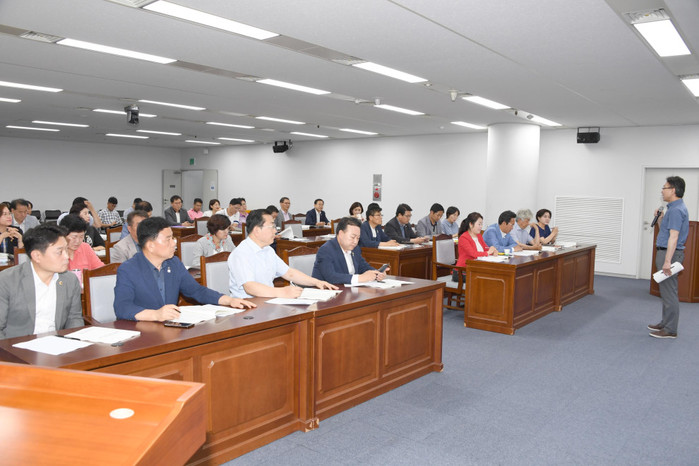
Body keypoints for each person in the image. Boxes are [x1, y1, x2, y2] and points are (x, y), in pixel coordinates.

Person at [114, 217, 255, 321]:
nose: (174, 243)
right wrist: (155, 314)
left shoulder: (173, 263)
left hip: (170, 328)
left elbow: (196, 290)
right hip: (143, 331)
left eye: (173, 238)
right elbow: (122, 307)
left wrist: (228, 300)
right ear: (150, 245)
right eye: (168, 239)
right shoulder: (128, 269)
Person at [228, 209, 337, 298]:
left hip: (267, 302)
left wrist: (316, 282)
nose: (275, 231)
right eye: (272, 227)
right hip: (247, 307)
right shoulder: (241, 253)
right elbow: (250, 287)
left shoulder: (268, 250)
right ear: (257, 230)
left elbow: (289, 273)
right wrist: (281, 292)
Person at [0, 224, 83, 339]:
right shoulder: (7, 280)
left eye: (66, 250)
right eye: (59, 252)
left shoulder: (70, 280)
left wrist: (73, 343)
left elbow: (74, 318)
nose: (66, 256)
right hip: (16, 346)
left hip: (57, 344)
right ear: (37, 256)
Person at [648, 176, 689, 339]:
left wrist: (667, 261)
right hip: (666, 252)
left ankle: (670, 329)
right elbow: (665, 232)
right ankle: (666, 322)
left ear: (673, 190)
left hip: (669, 255)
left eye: (664, 188)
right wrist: (660, 219)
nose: (662, 191)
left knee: (669, 292)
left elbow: (674, 236)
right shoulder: (672, 209)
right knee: (666, 291)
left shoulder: (677, 210)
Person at [312, 217, 386, 284]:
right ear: (341, 234)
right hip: (326, 291)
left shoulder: (355, 249)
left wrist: (377, 273)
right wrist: (359, 278)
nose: (355, 241)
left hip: (349, 291)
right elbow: (331, 277)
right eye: (352, 237)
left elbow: (363, 267)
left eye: (358, 238)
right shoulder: (326, 250)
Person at [455, 212, 499, 278]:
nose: (481, 226)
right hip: (463, 271)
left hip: (476, 268)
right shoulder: (464, 237)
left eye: (481, 224)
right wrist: (488, 252)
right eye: (479, 224)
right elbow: (473, 254)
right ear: (471, 224)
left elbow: (485, 248)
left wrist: (492, 250)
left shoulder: (479, 235)